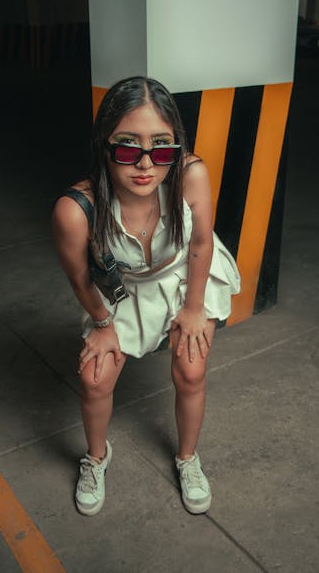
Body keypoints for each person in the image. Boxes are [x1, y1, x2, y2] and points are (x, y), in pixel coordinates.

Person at [52, 76, 240, 516]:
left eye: (161, 146)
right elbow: (80, 277)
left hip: (183, 278)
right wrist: (102, 325)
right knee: (95, 380)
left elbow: (200, 244)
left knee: (191, 371)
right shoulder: (76, 208)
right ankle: (96, 458)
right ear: (104, 145)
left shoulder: (190, 174)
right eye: (126, 145)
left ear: (176, 147)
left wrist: (194, 309)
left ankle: (187, 458)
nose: (145, 163)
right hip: (123, 293)